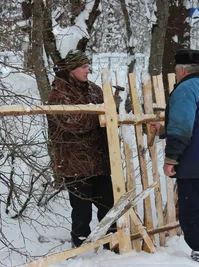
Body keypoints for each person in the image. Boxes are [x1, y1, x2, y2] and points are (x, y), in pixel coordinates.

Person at [151, 49, 199, 267]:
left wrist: (171, 159)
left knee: (191, 213)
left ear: (182, 70)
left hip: (195, 164)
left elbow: (183, 128)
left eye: (176, 70)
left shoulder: (185, 89)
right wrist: (165, 129)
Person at [47, 50, 117, 250]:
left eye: (88, 66)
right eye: (84, 67)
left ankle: (111, 241)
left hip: (100, 159)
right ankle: (80, 245)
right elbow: (72, 123)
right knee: (81, 209)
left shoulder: (94, 89)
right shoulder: (58, 94)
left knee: (108, 204)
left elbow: (109, 110)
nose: (88, 70)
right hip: (74, 162)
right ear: (72, 69)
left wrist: (111, 112)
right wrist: (100, 116)